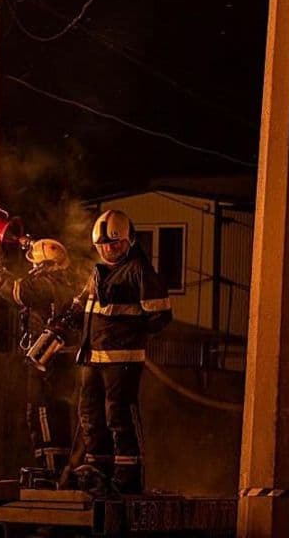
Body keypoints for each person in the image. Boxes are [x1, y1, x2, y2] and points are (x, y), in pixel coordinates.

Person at [67, 209, 172, 497]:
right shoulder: (97, 273)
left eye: (115, 244)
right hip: (93, 359)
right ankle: (97, 472)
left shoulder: (139, 272)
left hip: (122, 362)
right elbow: (80, 310)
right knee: (90, 416)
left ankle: (127, 478)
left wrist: (128, 328)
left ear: (129, 241)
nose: (109, 250)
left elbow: (159, 318)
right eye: (103, 245)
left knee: (119, 415)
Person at [0, 238, 79, 480]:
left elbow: (12, 289)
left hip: (45, 364)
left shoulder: (44, 284)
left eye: (35, 264)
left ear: (45, 265)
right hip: (62, 363)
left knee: (42, 415)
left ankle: (51, 475)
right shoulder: (69, 282)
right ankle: (60, 472)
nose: (32, 268)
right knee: (58, 417)